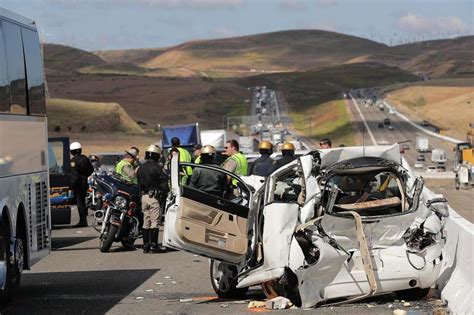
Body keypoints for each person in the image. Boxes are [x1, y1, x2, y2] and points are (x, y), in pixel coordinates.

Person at [136, 144, 169, 254]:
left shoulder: (141, 168)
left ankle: (146, 245)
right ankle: (154, 246)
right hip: (154, 197)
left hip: (143, 197)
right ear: (157, 155)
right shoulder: (158, 168)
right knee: (155, 221)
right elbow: (164, 183)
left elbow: (139, 183)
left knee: (146, 221)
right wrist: (166, 195)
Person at [70, 142, 94, 227]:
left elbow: (74, 176)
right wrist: (84, 176)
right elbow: (91, 170)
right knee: (82, 202)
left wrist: (70, 186)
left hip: (78, 185)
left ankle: (83, 221)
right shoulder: (85, 158)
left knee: (80, 203)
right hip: (84, 183)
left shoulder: (73, 161)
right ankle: (83, 220)